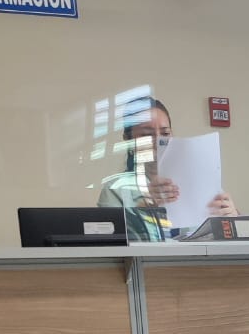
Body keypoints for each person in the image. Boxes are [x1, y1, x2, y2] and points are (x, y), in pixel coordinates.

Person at [99, 97, 236, 242]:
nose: (159, 141)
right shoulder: (115, 190)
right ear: (129, 141)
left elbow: (224, 241)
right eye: (146, 134)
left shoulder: (201, 182)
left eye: (165, 133)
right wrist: (144, 208)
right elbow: (107, 243)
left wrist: (232, 220)